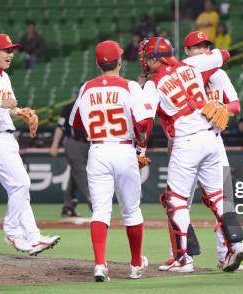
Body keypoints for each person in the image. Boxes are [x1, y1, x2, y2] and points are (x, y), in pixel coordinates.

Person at [140, 36, 243, 273]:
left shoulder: (152, 84)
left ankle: (182, 259)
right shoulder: (192, 65)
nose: (145, 61)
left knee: (175, 200)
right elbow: (225, 54)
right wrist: (205, 57)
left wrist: (141, 149)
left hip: (186, 141)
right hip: (210, 136)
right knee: (219, 197)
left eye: (148, 57)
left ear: (156, 59)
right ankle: (236, 244)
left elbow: (145, 120)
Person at [0, 33, 60, 255]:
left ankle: (34, 237)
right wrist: (1, 102)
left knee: (19, 189)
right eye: (6, 50)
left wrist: (21, 112)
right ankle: (12, 231)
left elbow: (7, 108)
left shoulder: (4, 78)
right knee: (21, 184)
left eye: (12, 50)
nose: (11, 54)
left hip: (7, 136)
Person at [69, 40, 156, 281]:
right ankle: (136, 264)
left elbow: (75, 123)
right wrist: (140, 147)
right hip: (124, 149)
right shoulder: (130, 87)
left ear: (98, 64)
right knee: (131, 211)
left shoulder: (87, 87)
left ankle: (99, 265)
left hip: (98, 150)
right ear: (119, 61)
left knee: (100, 211)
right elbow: (144, 122)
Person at [49, 100, 91, 218]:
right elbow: (60, 127)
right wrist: (54, 145)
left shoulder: (95, 104)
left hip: (92, 144)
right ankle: (95, 205)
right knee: (82, 174)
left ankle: (68, 207)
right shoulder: (69, 107)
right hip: (75, 143)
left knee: (75, 175)